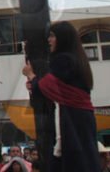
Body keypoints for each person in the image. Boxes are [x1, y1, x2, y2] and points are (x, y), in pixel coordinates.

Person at [22, 21, 100, 172]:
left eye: (52, 36)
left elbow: (48, 86)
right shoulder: (78, 58)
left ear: (62, 38)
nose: (49, 40)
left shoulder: (63, 59)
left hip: (70, 117)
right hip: (81, 116)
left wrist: (30, 75)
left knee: (71, 157)